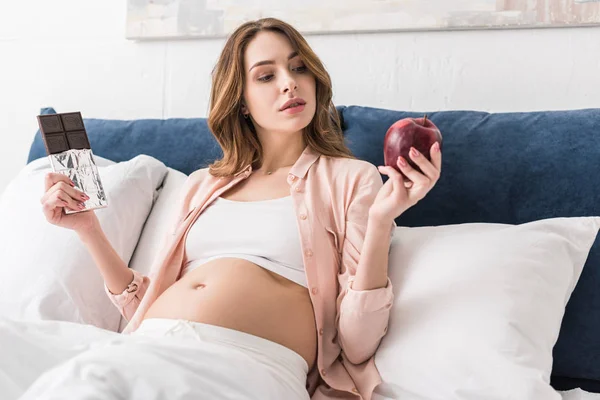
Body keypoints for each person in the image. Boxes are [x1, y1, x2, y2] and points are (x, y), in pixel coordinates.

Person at [25, 17, 441, 400]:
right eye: (266, 75)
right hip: (149, 343)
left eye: (298, 69)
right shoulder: (203, 184)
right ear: (241, 101)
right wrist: (88, 229)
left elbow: (357, 342)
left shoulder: (352, 178)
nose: (289, 84)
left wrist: (382, 220)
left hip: (246, 364)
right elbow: (145, 305)